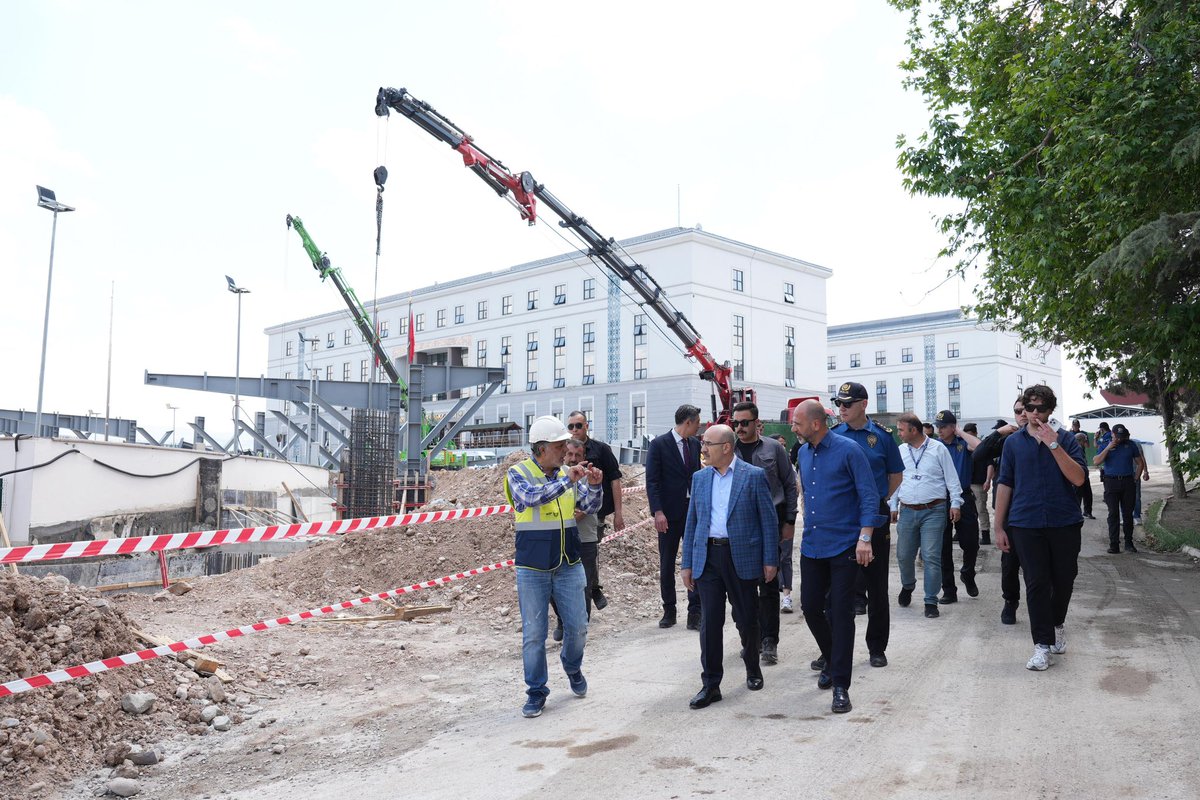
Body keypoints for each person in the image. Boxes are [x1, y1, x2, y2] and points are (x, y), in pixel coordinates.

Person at [504, 416, 604, 717]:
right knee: (534, 634)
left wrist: (594, 486)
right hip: (533, 566)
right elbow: (530, 499)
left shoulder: (565, 474)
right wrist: (568, 481)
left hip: (568, 561)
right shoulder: (518, 473)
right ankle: (536, 691)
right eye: (560, 446)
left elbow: (587, 506)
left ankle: (572, 666)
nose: (566, 451)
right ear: (542, 448)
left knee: (579, 627)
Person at [681, 425, 780, 709]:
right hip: (708, 557)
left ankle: (752, 666)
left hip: (742, 557)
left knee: (747, 619)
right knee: (710, 623)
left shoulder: (753, 476)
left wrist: (770, 559)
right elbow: (692, 523)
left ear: (726, 447)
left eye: (708, 444)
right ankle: (711, 684)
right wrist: (687, 563)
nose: (703, 449)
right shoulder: (699, 478)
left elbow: (768, 521)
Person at [792, 399, 880, 714]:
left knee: (841, 614)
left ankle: (841, 685)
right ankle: (831, 657)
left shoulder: (849, 450)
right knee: (811, 607)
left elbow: (868, 495)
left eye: (797, 422)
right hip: (813, 544)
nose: (794, 428)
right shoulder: (802, 452)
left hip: (845, 545)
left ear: (816, 423)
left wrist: (865, 537)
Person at [994, 385, 1087, 671]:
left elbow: (1079, 479)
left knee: (1064, 580)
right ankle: (1041, 646)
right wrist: (999, 526)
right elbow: (1005, 484)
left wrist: (1053, 444)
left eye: (1041, 409)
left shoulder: (1067, 440)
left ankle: (1057, 623)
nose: (1034, 414)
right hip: (1025, 522)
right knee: (1036, 582)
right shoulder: (1013, 443)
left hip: (1064, 521)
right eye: (1029, 408)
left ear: (1050, 411)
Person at [829, 382, 903, 669]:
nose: (842, 408)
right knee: (836, 588)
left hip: (873, 517)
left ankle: (876, 647)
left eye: (848, 403)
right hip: (843, 518)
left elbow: (896, 475)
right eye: (839, 403)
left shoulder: (882, 437)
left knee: (876, 585)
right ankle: (832, 648)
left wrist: (878, 500)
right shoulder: (834, 435)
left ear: (864, 404)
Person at [731, 401, 798, 667]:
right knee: (739, 587)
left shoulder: (774, 449)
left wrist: (790, 520)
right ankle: (751, 638)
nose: (739, 428)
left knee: (769, 582)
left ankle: (770, 641)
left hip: (771, 520)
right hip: (739, 525)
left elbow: (789, 485)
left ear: (757, 423)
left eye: (744, 423)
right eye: (736, 423)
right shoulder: (728, 449)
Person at [891, 413, 962, 619]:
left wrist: (956, 503)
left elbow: (952, 478)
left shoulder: (938, 449)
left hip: (934, 510)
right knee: (904, 555)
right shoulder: (901, 450)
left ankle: (931, 600)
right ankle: (908, 585)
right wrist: (893, 504)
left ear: (913, 430)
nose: (899, 433)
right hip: (907, 511)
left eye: (901, 430)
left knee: (931, 556)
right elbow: (896, 479)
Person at [645, 404, 703, 629]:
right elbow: (652, 481)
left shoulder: (695, 444)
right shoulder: (659, 445)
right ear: (687, 422)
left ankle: (695, 612)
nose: (699, 427)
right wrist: (658, 512)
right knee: (667, 563)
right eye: (697, 423)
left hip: (692, 512)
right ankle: (669, 610)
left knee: (695, 561)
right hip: (669, 514)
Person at [974, 401, 1029, 625]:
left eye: (1027, 409)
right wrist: (999, 432)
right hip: (1009, 513)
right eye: (1018, 411)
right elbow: (979, 455)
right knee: (1009, 564)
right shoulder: (1008, 440)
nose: (1023, 414)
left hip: (1034, 511)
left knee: (1039, 567)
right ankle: (1010, 602)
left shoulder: (1048, 437)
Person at [567, 411, 623, 609]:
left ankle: (592, 590)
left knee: (588, 552)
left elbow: (615, 479)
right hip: (565, 517)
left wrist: (619, 513)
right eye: (571, 426)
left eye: (578, 426)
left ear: (586, 426)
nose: (574, 430)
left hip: (594, 513)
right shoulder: (564, 451)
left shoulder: (601, 450)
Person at [934, 410, 982, 603]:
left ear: (953, 427)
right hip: (940, 499)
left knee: (971, 542)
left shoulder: (963, 444)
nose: (940, 430)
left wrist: (961, 433)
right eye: (938, 426)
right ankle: (949, 589)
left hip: (964, 497)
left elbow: (980, 446)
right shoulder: (935, 446)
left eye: (944, 426)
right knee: (943, 547)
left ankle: (968, 573)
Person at [1093, 423, 1146, 554]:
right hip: (1111, 482)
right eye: (1117, 437)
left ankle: (1129, 543)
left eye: (1122, 436)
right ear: (1112, 434)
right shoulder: (1105, 444)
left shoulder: (1131, 444)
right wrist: (1108, 448)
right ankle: (1114, 544)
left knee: (1128, 514)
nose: (1120, 439)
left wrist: (1135, 478)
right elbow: (1096, 461)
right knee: (1113, 514)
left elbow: (1140, 463)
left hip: (1128, 482)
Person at [964, 422, 994, 544]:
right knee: (966, 510)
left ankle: (985, 534)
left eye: (971, 435)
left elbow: (990, 464)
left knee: (981, 509)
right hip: (966, 483)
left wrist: (988, 480)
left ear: (975, 434)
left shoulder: (983, 447)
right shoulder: (964, 447)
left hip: (979, 483)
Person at [1074, 432, 1095, 519]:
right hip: (1079, 474)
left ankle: (1086, 512)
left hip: (1082, 474)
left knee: (1086, 494)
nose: (1085, 442)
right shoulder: (1077, 448)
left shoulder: (1079, 448)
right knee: (1080, 494)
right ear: (1080, 440)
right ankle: (1078, 513)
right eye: (1084, 440)